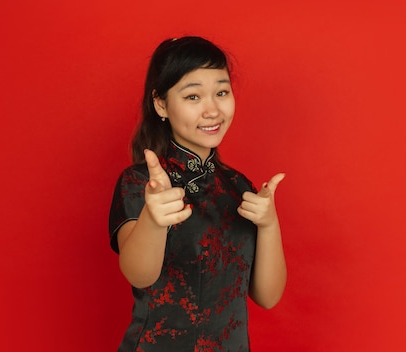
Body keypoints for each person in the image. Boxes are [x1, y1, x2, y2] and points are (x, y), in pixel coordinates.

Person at [108, 36, 287, 351]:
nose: (212, 110)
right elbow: (140, 275)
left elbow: (268, 297)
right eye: (193, 97)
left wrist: (270, 225)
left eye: (221, 92)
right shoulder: (141, 183)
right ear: (161, 104)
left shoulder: (239, 187)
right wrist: (153, 219)